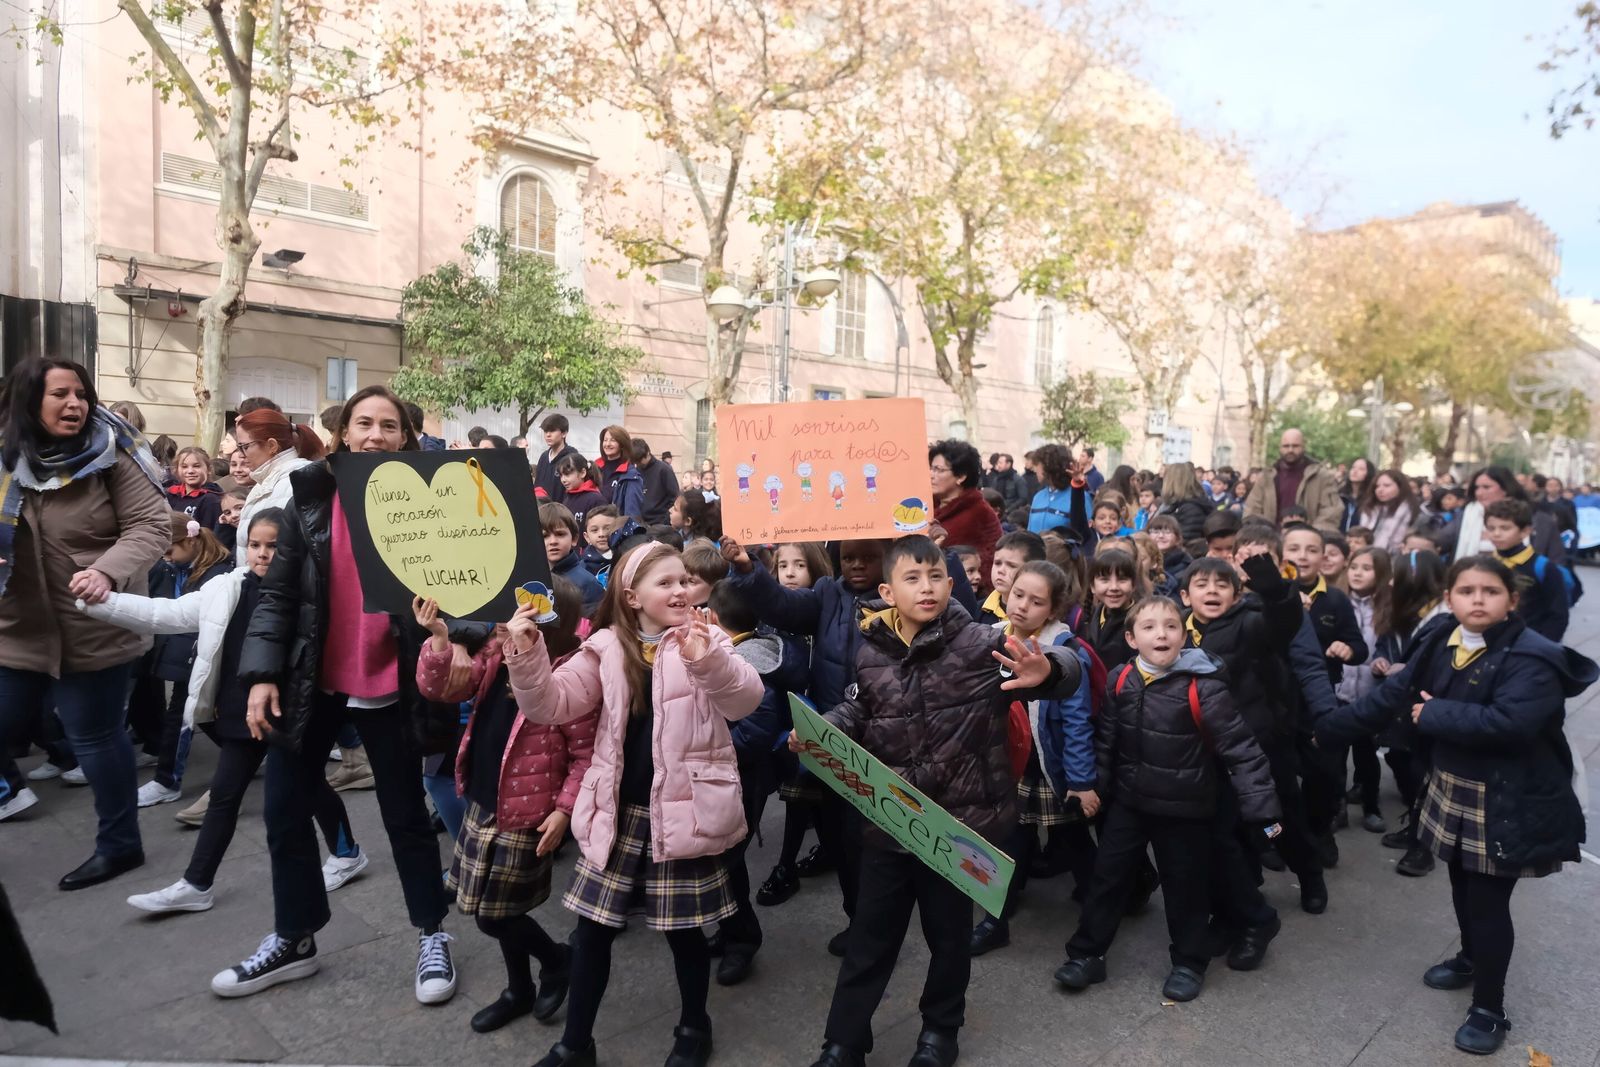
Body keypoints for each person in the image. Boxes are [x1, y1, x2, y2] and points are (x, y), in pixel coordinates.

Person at [803, 535, 1082, 1067]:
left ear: (951, 584)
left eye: (935, 576)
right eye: (911, 578)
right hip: (889, 823)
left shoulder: (980, 644)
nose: (925, 588)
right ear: (887, 590)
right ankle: (843, 1041)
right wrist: (819, 732)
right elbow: (857, 711)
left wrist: (1051, 671)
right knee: (870, 938)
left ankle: (940, 1031)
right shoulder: (869, 649)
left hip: (957, 827)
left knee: (948, 939)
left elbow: (1059, 662)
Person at [220, 385, 457, 1003]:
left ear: (406, 439)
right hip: (312, 682)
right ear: (343, 434)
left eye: (389, 426)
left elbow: (471, 595)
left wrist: (447, 625)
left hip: (391, 684)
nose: (375, 435)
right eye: (364, 424)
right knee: (282, 811)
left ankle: (432, 934)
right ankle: (294, 937)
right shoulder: (310, 501)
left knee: (406, 816)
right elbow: (276, 598)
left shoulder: (438, 507)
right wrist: (262, 674)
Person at [1314, 556, 1596, 1056]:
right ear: (1450, 599)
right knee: (1462, 885)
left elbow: (1512, 723)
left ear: (1512, 599)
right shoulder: (1442, 637)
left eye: (1490, 591)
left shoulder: (1532, 656)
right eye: (1467, 591)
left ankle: (1490, 1008)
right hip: (1454, 783)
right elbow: (1393, 696)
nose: (1478, 599)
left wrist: (1435, 712)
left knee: (1488, 904)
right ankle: (1470, 958)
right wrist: (1325, 730)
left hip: (1508, 795)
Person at [510, 542, 764, 1067]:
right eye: (665, 583)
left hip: (685, 810)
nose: (680, 591)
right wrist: (528, 651)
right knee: (593, 933)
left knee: (684, 932)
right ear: (632, 596)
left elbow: (745, 701)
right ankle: (575, 1044)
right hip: (619, 813)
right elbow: (549, 705)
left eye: (685, 581)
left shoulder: (707, 636)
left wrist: (708, 660)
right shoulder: (603, 646)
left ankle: (695, 1027)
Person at [84, 509, 365, 914]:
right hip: (240, 712)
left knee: (308, 788)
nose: (263, 554)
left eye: (274, 546)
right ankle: (197, 883)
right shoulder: (226, 587)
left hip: (294, 712)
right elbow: (165, 614)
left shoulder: (311, 592)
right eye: (255, 545)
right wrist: (99, 602)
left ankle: (346, 852)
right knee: (225, 797)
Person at [1055, 596, 1281, 1002]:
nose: (1161, 633)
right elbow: (1106, 740)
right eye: (1149, 627)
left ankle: (1189, 962)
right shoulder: (1121, 679)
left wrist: (1261, 807)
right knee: (1107, 878)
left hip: (1186, 807)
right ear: (1131, 638)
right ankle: (1087, 954)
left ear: (1185, 635)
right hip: (1129, 802)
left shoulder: (1204, 687)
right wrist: (1093, 788)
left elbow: (1242, 749)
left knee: (1185, 887)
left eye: (1171, 626)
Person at [0, 358, 170, 882]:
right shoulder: (6, 458)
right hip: (15, 628)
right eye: (60, 395)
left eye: (81, 393)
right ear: (29, 401)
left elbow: (152, 525)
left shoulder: (113, 454)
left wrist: (106, 572)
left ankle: (120, 845)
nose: (75, 404)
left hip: (94, 624)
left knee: (95, 737)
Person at [413, 590, 593, 1035]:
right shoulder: (498, 652)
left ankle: (556, 960)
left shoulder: (570, 673)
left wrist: (565, 809)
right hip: (483, 796)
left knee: (497, 914)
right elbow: (443, 686)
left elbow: (585, 754)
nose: (509, 619)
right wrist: (438, 639)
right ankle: (519, 988)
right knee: (487, 905)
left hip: (529, 811)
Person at [970, 560, 1099, 956]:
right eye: (1019, 594)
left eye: (1037, 601)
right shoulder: (990, 636)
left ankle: (1104, 905)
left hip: (1049, 768)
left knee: (1074, 839)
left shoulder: (1063, 649)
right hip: (1008, 762)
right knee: (1010, 840)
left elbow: (1076, 722)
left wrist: (1080, 782)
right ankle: (996, 920)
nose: (1023, 606)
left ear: (1054, 609)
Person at [705, 579, 808, 986]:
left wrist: (703, 744)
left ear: (714, 618)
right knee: (722, 860)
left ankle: (743, 939)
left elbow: (753, 734)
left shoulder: (748, 663)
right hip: (733, 774)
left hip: (741, 777)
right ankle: (731, 930)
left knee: (729, 862)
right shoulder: (743, 652)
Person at [128, 514, 236, 807]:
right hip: (186, 655)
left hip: (200, 656)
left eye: (170, 550)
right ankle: (245, 756)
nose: (166, 557)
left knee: (184, 717)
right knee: (207, 718)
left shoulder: (217, 574)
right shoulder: (179, 567)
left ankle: (167, 781)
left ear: (189, 540)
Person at [1335, 545, 1391, 834]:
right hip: (1339, 691)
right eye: (1354, 567)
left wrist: (1385, 662)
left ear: (1380, 574)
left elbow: (1390, 648)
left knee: (1367, 754)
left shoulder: (1388, 609)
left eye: (1366, 568)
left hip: (1371, 694)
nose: (1357, 573)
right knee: (1335, 756)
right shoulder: (1337, 601)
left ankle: (1372, 806)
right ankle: (1338, 808)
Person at [232, 406, 326, 565]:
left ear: (272, 446)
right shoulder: (266, 482)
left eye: (245, 446)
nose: (241, 454)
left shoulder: (297, 482)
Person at [1484, 499, 1569, 642]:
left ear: (1525, 531)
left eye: (1505, 528)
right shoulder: (1484, 564)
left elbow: (1558, 614)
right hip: (1491, 641)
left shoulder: (1543, 567)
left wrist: (1544, 647)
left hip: (1530, 642)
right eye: (1491, 528)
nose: (1496, 534)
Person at [1452, 466, 1565, 565]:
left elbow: (1557, 561)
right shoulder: (1467, 515)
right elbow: (1440, 541)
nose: (1479, 493)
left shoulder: (1539, 520)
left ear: (1505, 489)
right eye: (1477, 487)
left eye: (1486, 487)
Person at [929, 439, 1003, 582]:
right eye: (931, 468)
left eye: (939, 470)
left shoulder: (978, 513)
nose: (931, 475)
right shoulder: (930, 505)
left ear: (961, 476)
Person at [1243, 429, 1343, 529]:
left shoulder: (1321, 476)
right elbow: (1252, 510)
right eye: (1286, 446)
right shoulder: (1266, 477)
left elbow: (1332, 511)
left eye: (1295, 446)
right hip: (1271, 539)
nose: (1290, 450)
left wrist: (1312, 535)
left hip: (1307, 539)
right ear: (1280, 448)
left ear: (1304, 447)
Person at [541, 502, 605, 617]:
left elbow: (594, 625)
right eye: (545, 536)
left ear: (574, 539)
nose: (553, 541)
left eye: (560, 534)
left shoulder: (587, 583)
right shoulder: (533, 579)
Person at [1027, 443, 1090, 537]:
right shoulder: (1038, 497)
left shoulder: (1080, 497)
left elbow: (1082, 534)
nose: (1034, 469)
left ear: (1049, 466)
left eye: (1037, 464)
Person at [985, 530, 1046, 624]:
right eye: (997, 563)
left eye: (1011, 566)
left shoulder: (1037, 615)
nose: (1001, 570)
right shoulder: (980, 609)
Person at [1358, 468, 1420, 554]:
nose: (1380, 490)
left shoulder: (1411, 511)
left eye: (1387, 485)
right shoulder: (1370, 509)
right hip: (1366, 555)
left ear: (1400, 487)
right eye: (1377, 486)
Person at [166, 446, 223, 529]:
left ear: (209, 469)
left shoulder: (211, 500)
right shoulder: (170, 495)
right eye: (184, 466)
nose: (190, 471)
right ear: (177, 469)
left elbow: (208, 534)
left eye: (196, 466)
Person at [594, 426, 643, 520]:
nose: (607, 444)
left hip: (615, 528)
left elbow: (632, 513)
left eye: (613, 440)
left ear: (622, 444)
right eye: (605, 440)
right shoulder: (593, 469)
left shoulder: (631, 475)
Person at [534, 414, 581, 501]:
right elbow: (537, 486)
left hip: (562, 511)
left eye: (552, 431)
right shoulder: (544, 457)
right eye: (545, 431)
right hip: (542, 510)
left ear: (564, 433)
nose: (548, 435)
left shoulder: (572, 457)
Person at [553, 455, 606, 527]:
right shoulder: (567, 499)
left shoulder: (596, 500)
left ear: (582, 473)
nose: (563, 480)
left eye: (567, 474)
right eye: (561, 475)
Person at [1340, 457, 1374, 531]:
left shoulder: (1371, 499)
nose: (1355, 471)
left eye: (1361, 469)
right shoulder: (1341, 495)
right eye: (1353, 467)